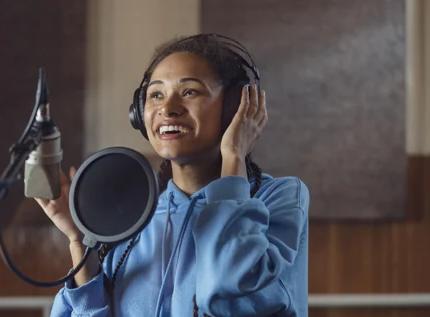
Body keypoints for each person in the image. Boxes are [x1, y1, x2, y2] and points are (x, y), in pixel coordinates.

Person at [35, 34, 310, 317]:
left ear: (235, 109)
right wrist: (80, 239)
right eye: (156, 95)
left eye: (190, 92)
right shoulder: (134, 216)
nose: (167, 108)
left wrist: (234, 156)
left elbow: (230, 287)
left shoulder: (279, 198)